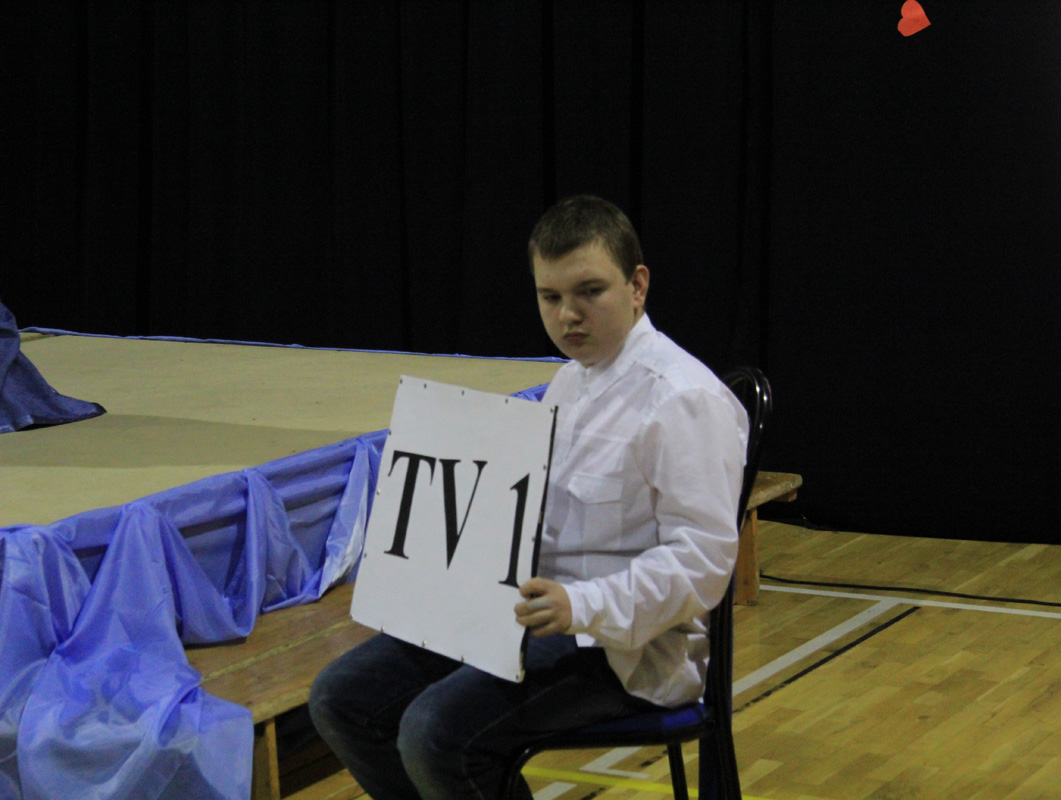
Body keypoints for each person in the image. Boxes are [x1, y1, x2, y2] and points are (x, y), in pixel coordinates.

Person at [309, 195, 749, 799]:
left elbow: (703, 564)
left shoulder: (682, 399)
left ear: (637, 286)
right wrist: (435, 569)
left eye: (589, 291)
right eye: (550, 297)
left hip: (628, 649)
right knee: (341, 699)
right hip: (532, 616)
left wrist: (582, 604)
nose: (568, 315)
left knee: (435, 733)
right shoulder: (568, 381)